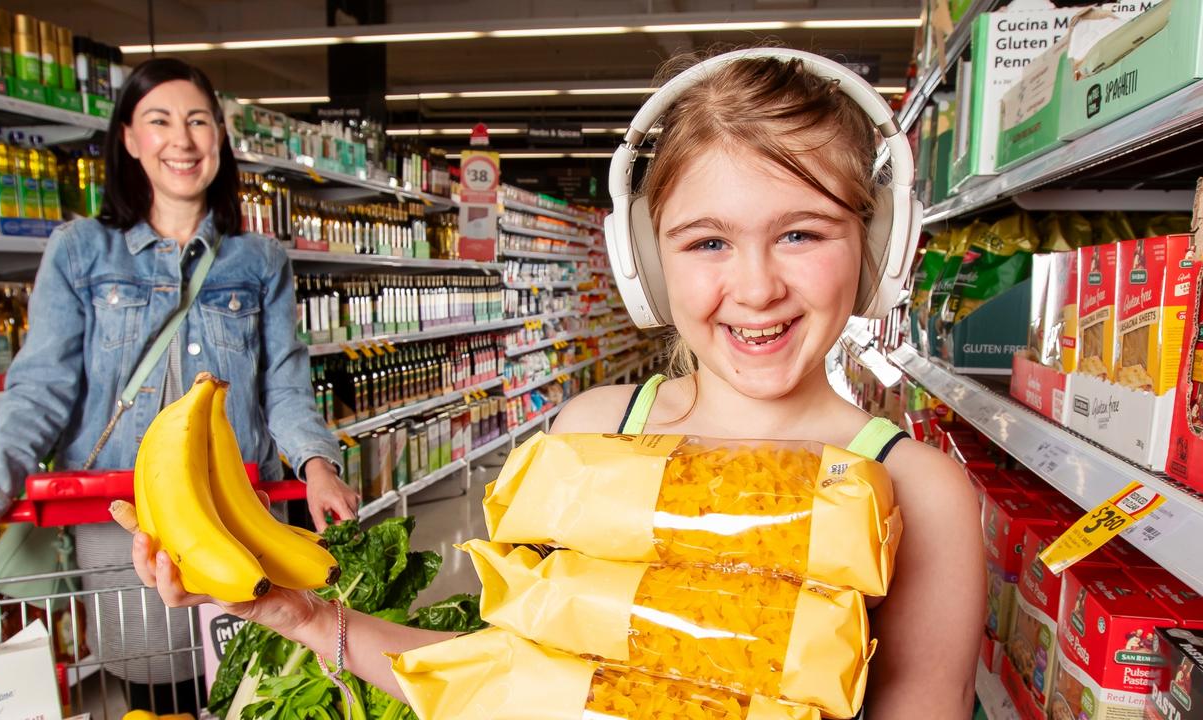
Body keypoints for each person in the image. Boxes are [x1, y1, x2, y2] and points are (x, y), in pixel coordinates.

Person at [130, 48, 984, 718]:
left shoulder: (920, 494)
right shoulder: (591, 433)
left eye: (801, 233)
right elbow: (499, 682)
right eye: (707, 243)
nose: (756, 287)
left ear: (879, 247)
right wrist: (305, 618)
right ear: (645, 266)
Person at [0, 58, 358, 709]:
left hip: (237, 511)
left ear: (219, 138)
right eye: (160, 121)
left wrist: (318, 463)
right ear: (129, 137)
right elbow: (39, 395)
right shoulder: (81, 251)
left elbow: (286, 389)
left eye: (198, 122)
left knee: (254, 686)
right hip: (125, 521)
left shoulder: (260, 260)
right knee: (158, 692)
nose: (182, 140)